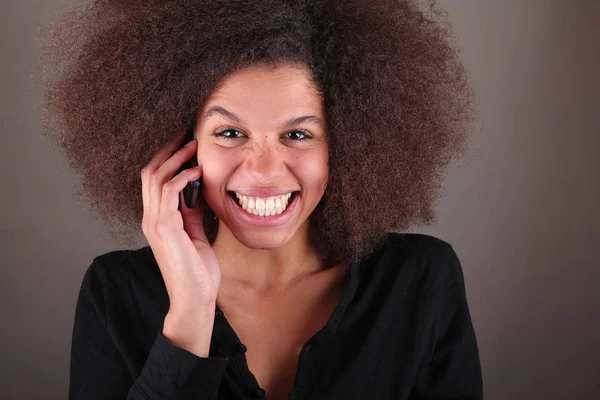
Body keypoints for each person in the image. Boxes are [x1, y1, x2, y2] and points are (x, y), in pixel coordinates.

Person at [40, 0, 482, 399]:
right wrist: (191, 314)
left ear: (346, 146)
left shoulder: (419, 279)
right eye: (230, 133)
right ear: (180, 147)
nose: (265, 171)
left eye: (298, 134)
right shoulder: (116, 290)